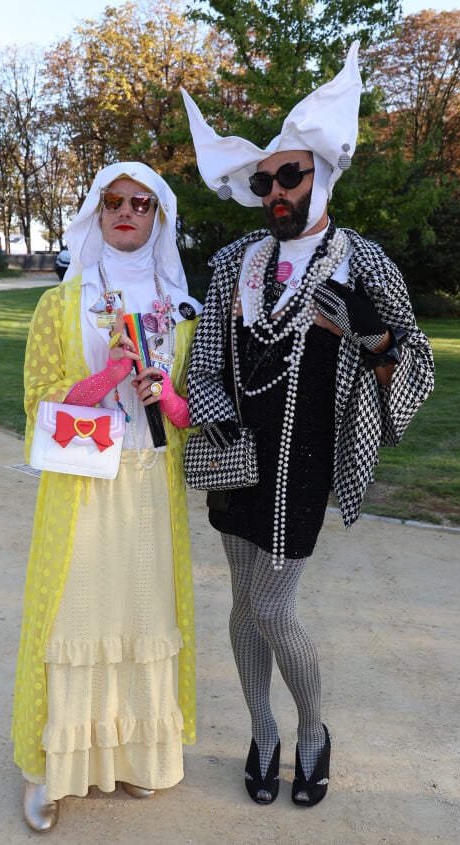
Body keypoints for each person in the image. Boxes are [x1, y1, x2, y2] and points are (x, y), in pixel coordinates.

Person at [181, 42, 434, 808]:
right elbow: (205, 366)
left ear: (319, 174)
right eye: (263, 181)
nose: (275, 191)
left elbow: (414, 358)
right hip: (239, 459)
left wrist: (372, 334)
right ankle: (263, 733)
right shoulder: (234, 264)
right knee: (239, 603)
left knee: (273, 605)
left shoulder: (361, 260)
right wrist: (219, 418)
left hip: (306, 462)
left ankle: (314, 731)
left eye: (288, 175)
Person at [11, 162, 202, 831]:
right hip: (82, 490)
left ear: (158, 215)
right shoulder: (60, 304)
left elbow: (191, 415)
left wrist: (164, 392)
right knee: (74, 619)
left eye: (141, 202)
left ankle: (132, 755)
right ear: (96, 211)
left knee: (139, 617)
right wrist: (110, 375)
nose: (126, 211)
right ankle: (52, 769)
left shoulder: (182, 307)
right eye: (113, 201)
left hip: (149, 487)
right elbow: (38, 403)